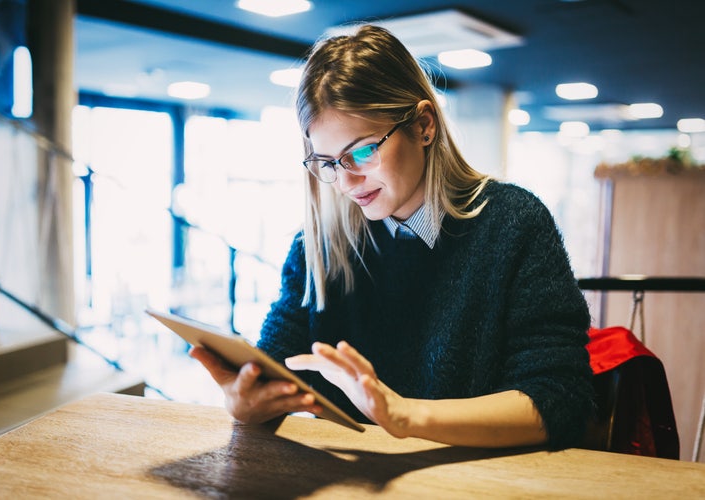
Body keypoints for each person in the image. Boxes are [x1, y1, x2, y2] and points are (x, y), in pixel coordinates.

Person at [191, 24, 593, 450]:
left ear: (423, 126)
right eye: (326, 162)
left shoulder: (513, 223)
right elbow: (280, 365)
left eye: (362, 151)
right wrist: (247, 398)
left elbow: (560, 399)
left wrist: (402, 414)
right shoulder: (320, 245)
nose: (345, 181)